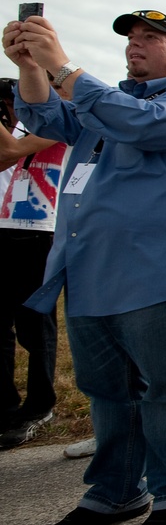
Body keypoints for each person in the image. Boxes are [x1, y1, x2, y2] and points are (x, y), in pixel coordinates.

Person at [3, 8, 166, 525]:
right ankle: (115, 493)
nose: (135, 45)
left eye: (152, 37)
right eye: (130, 38)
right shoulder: (101, 107)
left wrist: (61, 64)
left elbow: (134, 123)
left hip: (159, 273)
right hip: (90, 271)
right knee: (107, 392)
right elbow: (48, 118)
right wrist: (30, 65)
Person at [0, 77, 66, 449]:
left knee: (34, 325)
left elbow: (10, 151)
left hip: (40, 229)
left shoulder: (53, 125)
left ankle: (40, 404)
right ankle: (6, 405)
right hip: (5, 225)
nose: (13, 107)